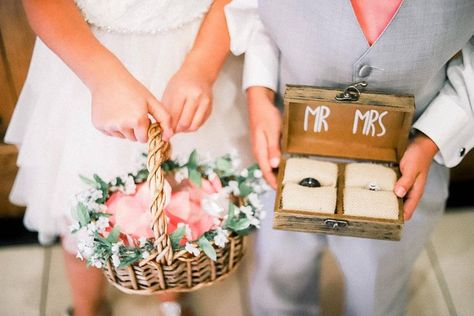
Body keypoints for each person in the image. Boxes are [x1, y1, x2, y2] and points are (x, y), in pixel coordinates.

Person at [225, 0, 474, 315]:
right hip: (288, 142)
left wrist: (432, 138)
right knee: (280, 272)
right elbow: (259, 14)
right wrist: (259, 94)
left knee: (376, 285)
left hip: (407, 158)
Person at [5, 0, 251, 315]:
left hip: (194, 53)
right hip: (89, 58)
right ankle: (87, 307)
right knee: (84, 212)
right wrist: (102, 79)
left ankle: (171, 294)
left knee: (180, 200)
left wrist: (201, 67)